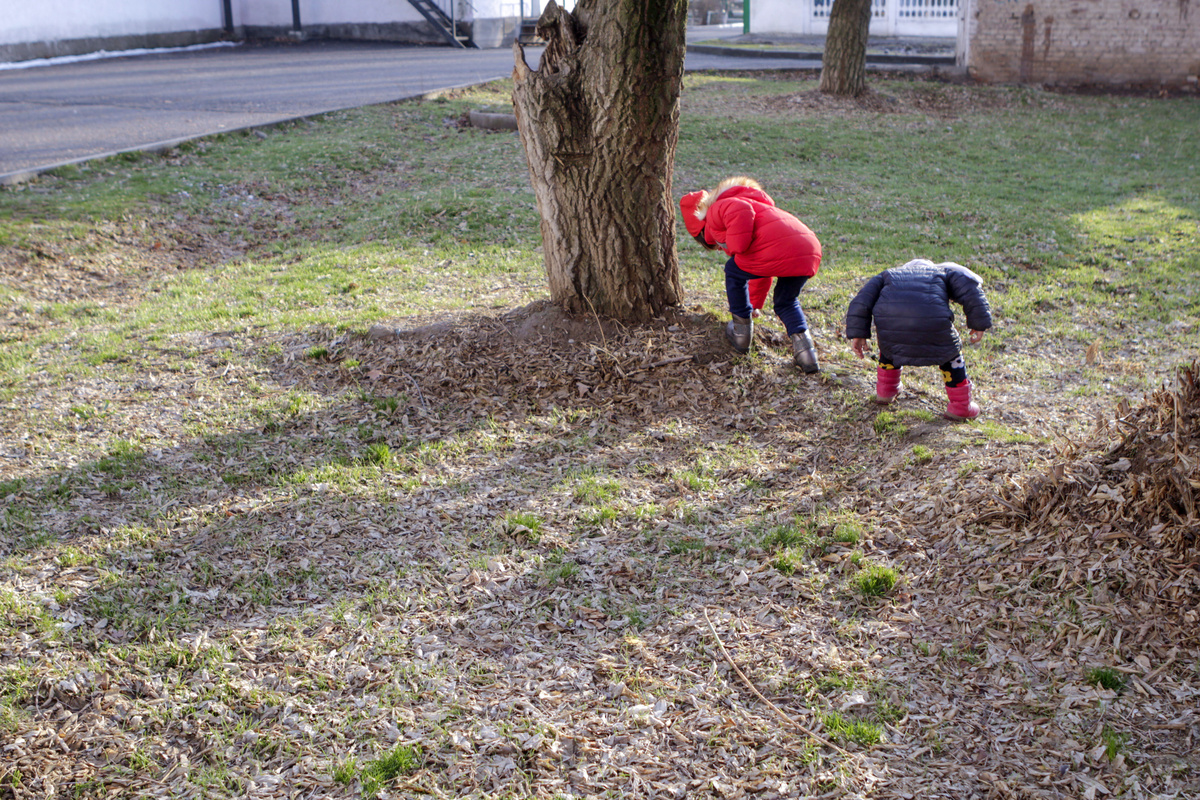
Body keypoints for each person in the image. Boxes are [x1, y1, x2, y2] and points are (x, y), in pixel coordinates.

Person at [680, 176, 823, 373]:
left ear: (701, 227)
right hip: (807, 249)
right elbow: (761, 269)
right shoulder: (758, 206)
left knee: (732, 270)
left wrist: (735, 246)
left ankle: (741, 334)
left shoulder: (716, 209)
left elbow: (739, 210)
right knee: (786, 302)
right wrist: (755, 303)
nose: (719, 247)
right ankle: (807, 355)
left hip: (782, 249)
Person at [844, 258, 993, 421]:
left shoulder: (887, 275)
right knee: (951, 356)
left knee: (890, 347)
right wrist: (979, 324)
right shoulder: (943, 273)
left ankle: (886, 391)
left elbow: (861, 301)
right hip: (933, 323)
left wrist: (858, 333)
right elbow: (971, 291)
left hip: (893, 322)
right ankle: (961, 406)